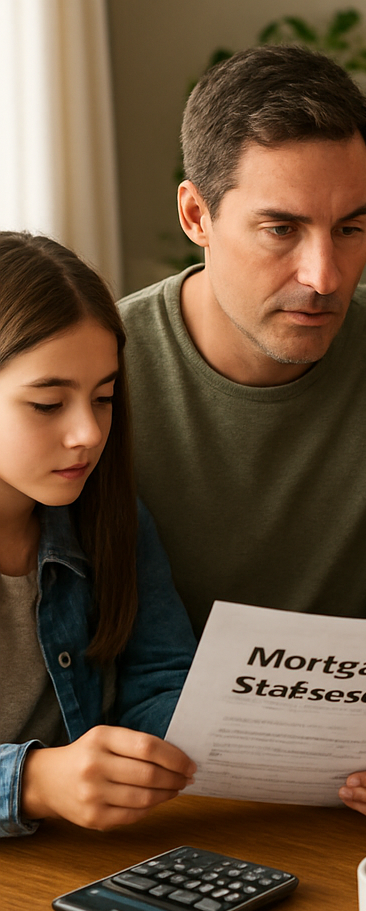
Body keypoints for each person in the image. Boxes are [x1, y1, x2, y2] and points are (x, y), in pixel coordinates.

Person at [118, 46, 366, 825]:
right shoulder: (98, 376)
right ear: (196, 216)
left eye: (350, 228)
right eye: (280, 229)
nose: (324, 275)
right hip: (150, 796)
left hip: (353, 797)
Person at [0, 232, 196, 838]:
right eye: (48, 403)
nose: (88, 432)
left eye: (104, 397)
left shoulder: (113, 517)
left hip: (90, 863)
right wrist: (34, 782)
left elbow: (162, 682)